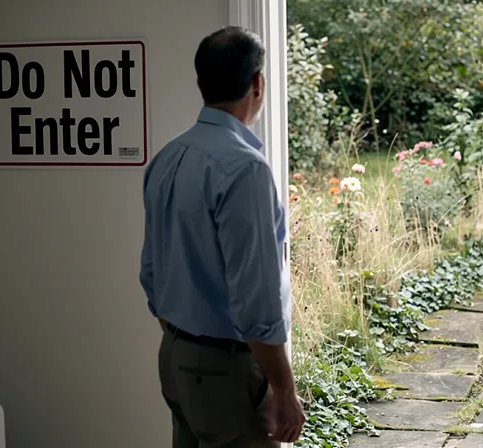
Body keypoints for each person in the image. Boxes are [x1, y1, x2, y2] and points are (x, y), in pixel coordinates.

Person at [138, 26, 306, 447]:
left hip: (175, 357)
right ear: (257, 83)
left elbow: (152, 274)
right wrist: (284, 389)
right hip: (225, 370)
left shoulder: (167, 157)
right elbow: (255, 299)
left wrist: (186, 343)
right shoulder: (245, 168)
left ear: (201, 82)